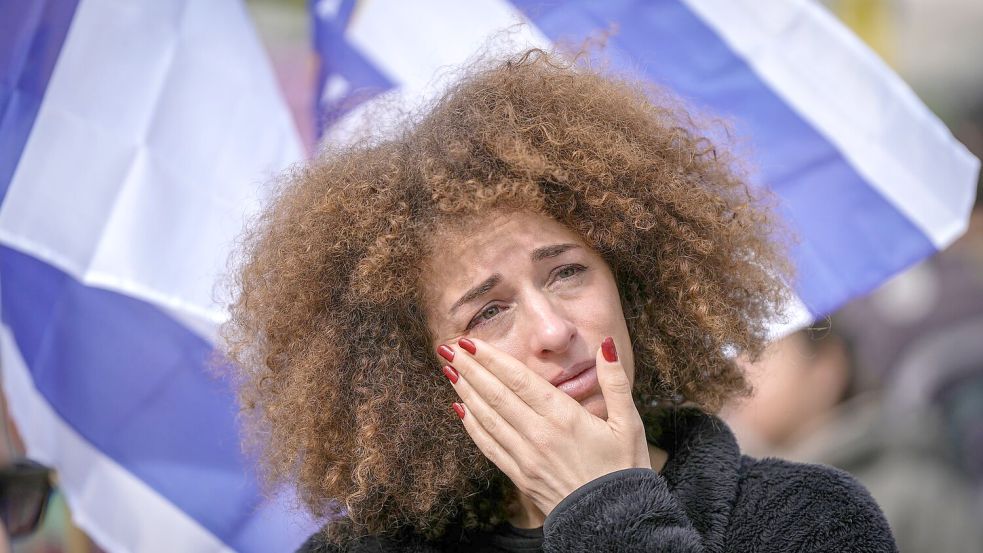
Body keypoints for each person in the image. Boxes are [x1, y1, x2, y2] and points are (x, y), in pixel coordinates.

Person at [222, 48, 897, 552]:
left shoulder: (807, 516)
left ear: (628, 277)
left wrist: (607, 511)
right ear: (417, 370)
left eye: (567, 271)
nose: (551, 328)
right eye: (488, 310)